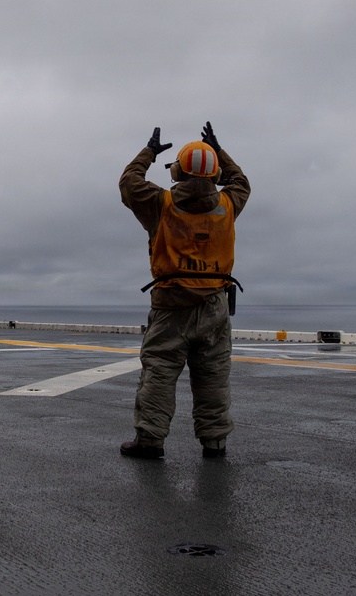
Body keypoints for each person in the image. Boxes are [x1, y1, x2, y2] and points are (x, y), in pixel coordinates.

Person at [118, 122, 250, 459]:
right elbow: (240, 181)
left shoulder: (159, 203)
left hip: (170, 306)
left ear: (176, 171)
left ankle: (150, 440)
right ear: (216, 175)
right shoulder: (228, 204)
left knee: (160, 371)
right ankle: (215, 442)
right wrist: (219, 152)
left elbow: (129, 182)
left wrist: (149, 151)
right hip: (214, 306)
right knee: (214, 374)